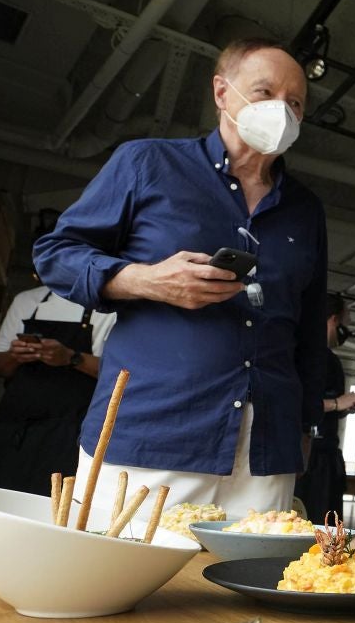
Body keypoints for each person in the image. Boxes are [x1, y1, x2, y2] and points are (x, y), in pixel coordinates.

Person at [33, 38, 328, 517]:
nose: (281, 109)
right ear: (221, 92)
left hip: (266, 453)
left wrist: (305, 429)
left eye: (295, 102)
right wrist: (144, 280)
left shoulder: (305, 210)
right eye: (264, 91)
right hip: (154, 433)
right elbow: (56, 253)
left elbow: (311, 330)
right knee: (124, 581)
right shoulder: (147, 163)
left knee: (249, 583)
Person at [0, 281, 116, 495]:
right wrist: (15, 355)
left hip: (70, 432)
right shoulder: (27, 300)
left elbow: (117, 374)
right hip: (13, 427)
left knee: (50, 505)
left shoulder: (109, 308)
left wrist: (70, 357)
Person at [296, 293, 355, 521]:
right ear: (333, 319)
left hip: (327, 455)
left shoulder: (331, 360)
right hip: (309, 454)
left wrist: (346, 406)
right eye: (344, 323)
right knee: (313, 522)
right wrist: (337, 403)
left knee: (329, 522)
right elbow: (299, 403)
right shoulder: (304, 356)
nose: (345, 330)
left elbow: (329, 406)